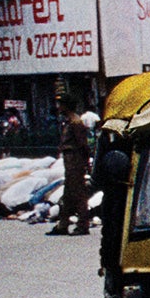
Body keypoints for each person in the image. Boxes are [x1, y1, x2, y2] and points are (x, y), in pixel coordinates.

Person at [49, 96, 94, 235]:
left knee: (78, 194)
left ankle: (82, 225)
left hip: (75, 161)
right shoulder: (69, 122)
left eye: (61, 105)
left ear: (67, 106)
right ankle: (63, 225)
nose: (59, 107)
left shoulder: (75, 122)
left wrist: (86, 163)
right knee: (68, 195)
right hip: (70, 162)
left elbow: (83, 144)